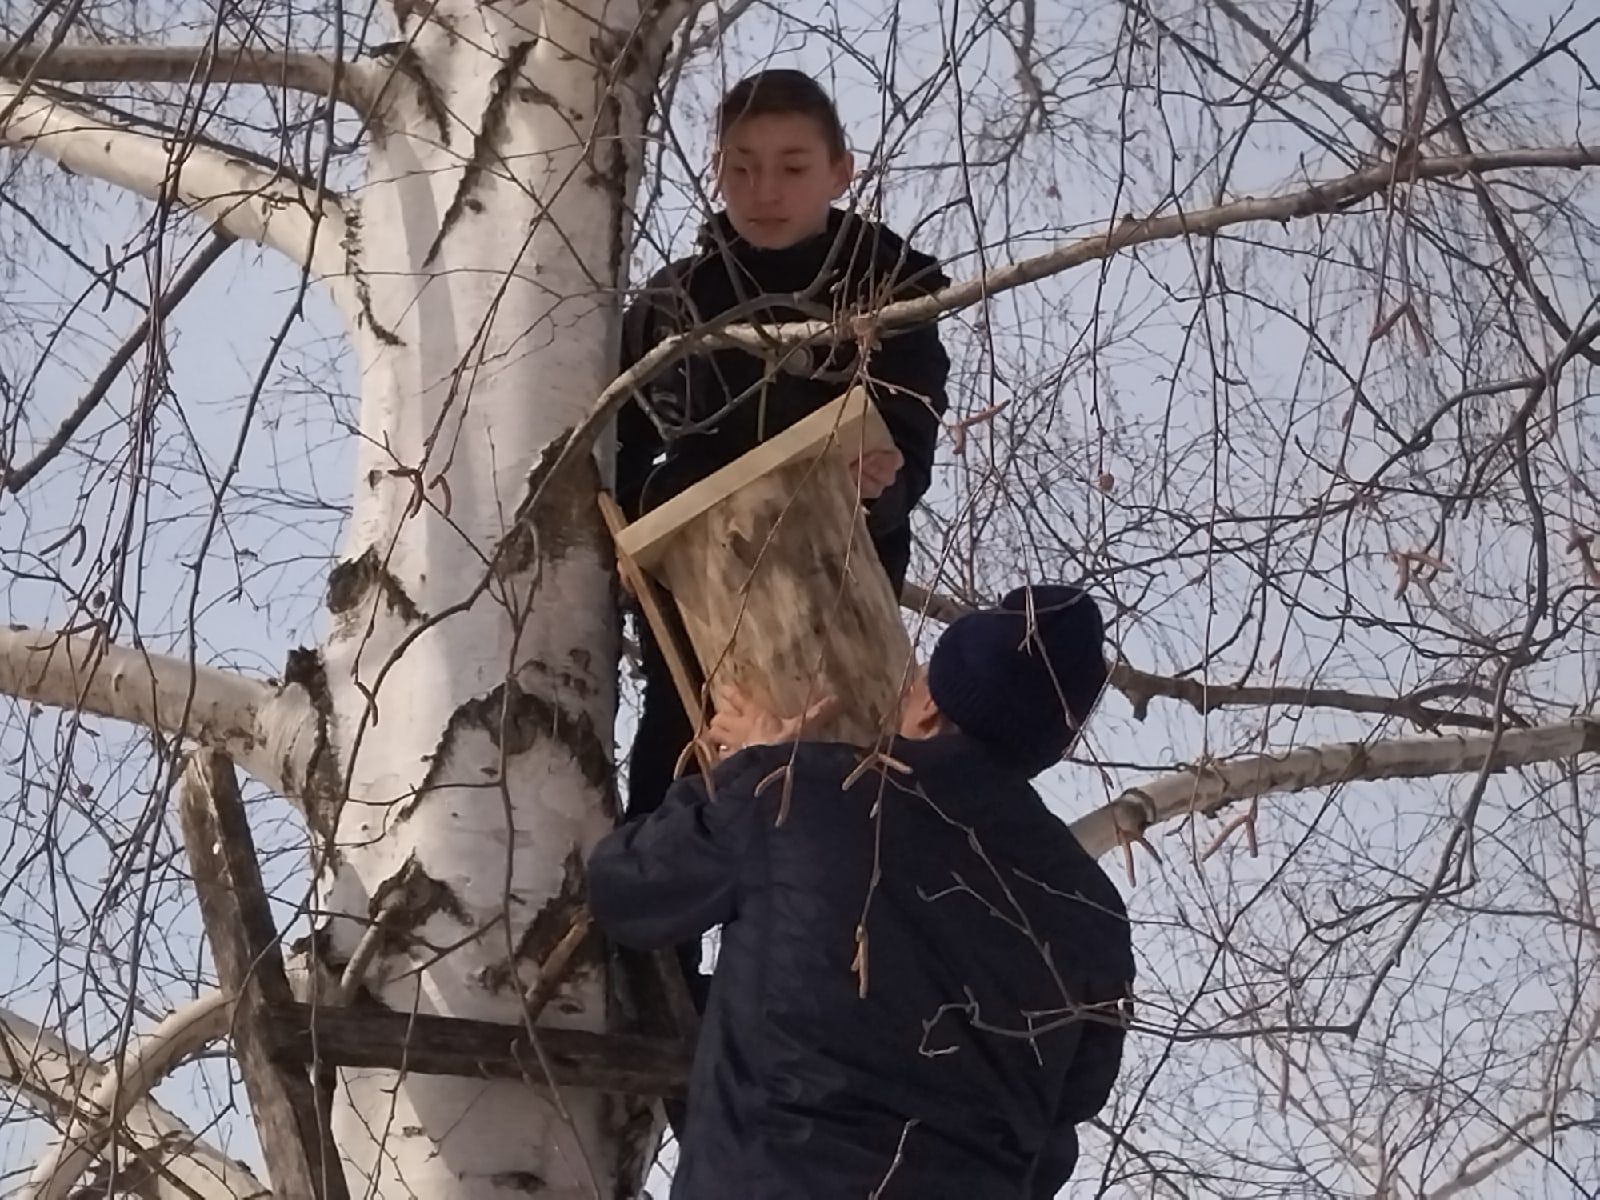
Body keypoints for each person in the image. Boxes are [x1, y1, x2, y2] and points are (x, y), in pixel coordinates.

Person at [587, 584, 1136, 1199]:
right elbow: (1055, 1137)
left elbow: (626, 889)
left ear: (928, 705)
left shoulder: (803, 795)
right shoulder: (1096, 922)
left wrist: (757, 771)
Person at [616, 67, 952, 826]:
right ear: (718, 173)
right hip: (697, 585)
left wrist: (883, 481)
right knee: (678, 770)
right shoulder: (672, 307)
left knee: (837, 789)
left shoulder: (892, 290)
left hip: (833, 583)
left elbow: (907, 435)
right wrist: (626, 555)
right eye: (742, 167)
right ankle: (654, 945)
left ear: (840, 172)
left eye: (792, 168)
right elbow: (618, 444)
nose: (764, 189)